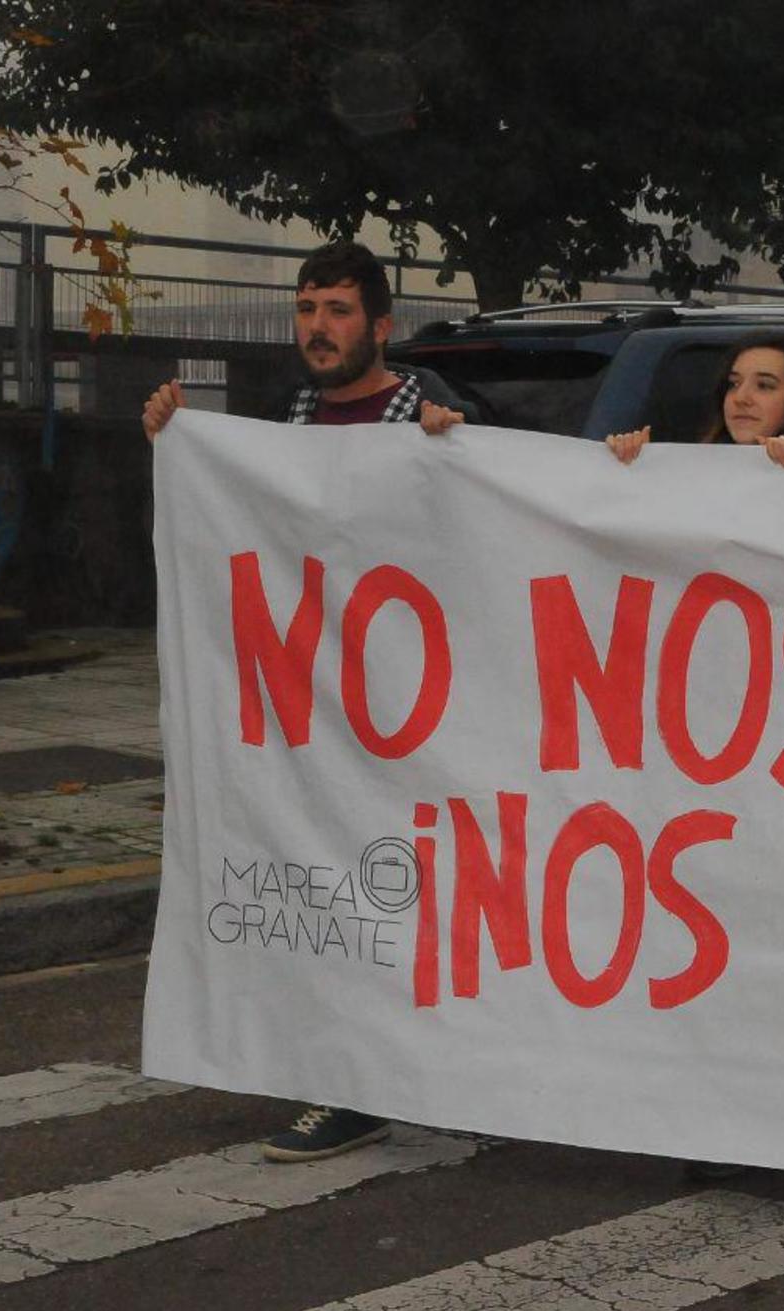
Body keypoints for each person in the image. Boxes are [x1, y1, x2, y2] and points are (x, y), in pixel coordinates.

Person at [141, 239, 477, 1163]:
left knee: (415, 894)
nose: (318, 329)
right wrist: (179, 439)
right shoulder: (282, 422)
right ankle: (350, 1081)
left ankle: (432, 1064)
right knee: (340, 892)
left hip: (419, 712)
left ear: (380, 325)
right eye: (306, 310)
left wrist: (465, 457)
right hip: (317, 714)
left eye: (336, 311)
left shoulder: (439, 414)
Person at [605, 332, 784, 468]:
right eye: (733, 384)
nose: (741, 398)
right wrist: (633, 466)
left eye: (764, 386)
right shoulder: (693, 468)